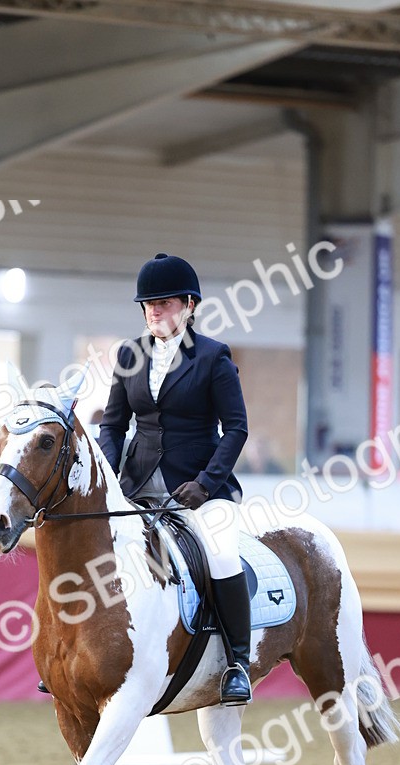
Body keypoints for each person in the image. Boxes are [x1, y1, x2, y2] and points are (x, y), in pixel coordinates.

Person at [98, 252, 251, 705]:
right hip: (138, 486)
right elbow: (112, 425)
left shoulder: (212, 357)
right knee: (90, 550)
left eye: (163, 302)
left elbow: (237, 428)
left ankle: (237, 662)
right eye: (148, 304)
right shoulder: (130, 354)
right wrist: (110, 475)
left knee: (221, 555)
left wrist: (206, 483)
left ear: (188, 304)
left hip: (200, 489)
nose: (154, 311)